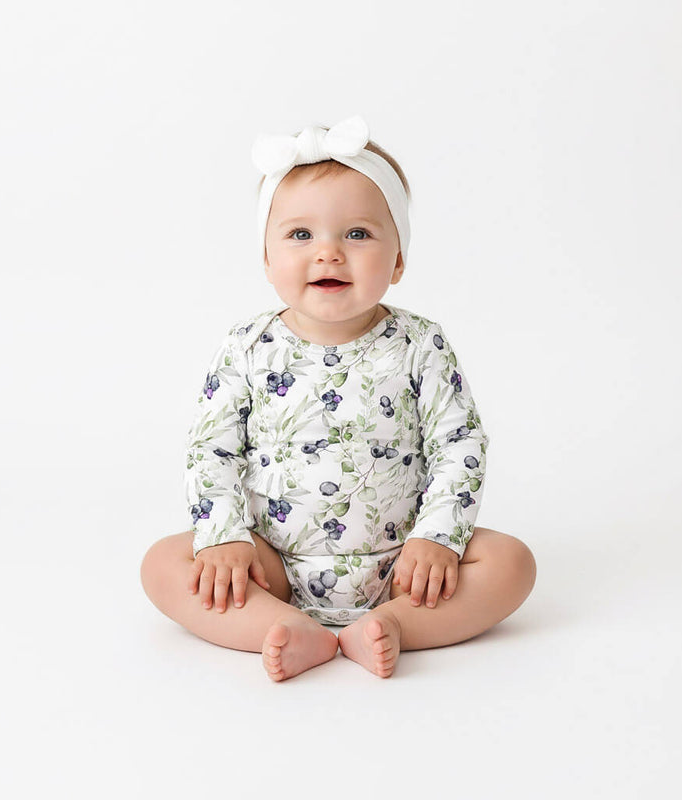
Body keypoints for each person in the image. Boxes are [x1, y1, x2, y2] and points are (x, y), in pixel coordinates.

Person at [140, 115, 536, 681]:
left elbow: (459, 443)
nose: (328, 253)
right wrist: (223, 538)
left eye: (357, 234)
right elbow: (212, 449)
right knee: (164, 564)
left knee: (511, 563)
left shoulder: (421, 344)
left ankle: (395, 624)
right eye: (301, 235)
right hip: (272, 562)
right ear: (267, 258)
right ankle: (280, 627)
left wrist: (437, 538)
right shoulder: (247, 346)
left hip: (406, 563)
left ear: (398, 259)